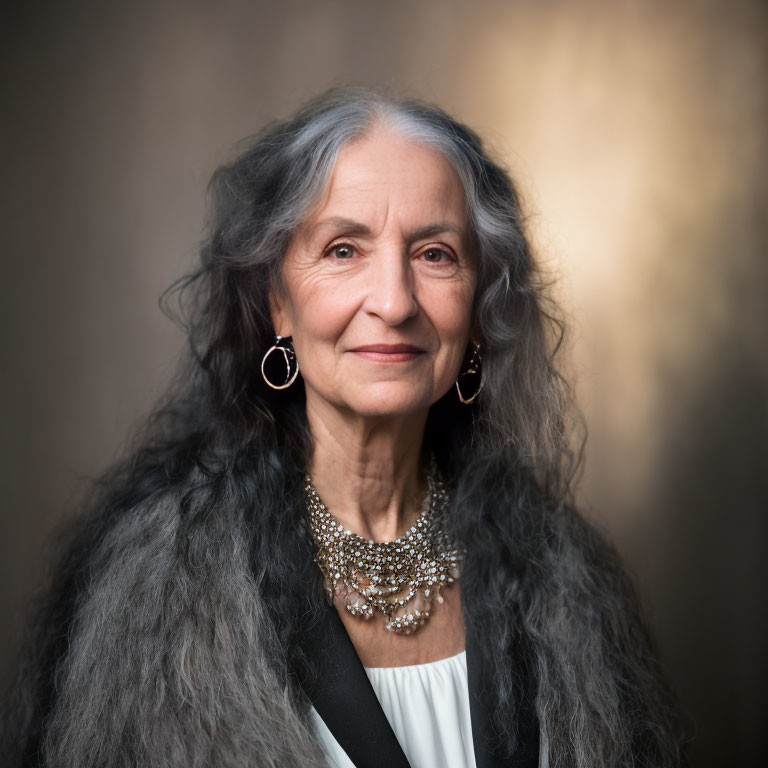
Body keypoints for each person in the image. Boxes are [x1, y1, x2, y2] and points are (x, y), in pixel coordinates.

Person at [1, 87, 689, 768]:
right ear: (279, 305)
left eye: (435, 254)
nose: (392, 302)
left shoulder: (563, 575)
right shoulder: (155, 586)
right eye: (342, 250)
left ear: (479, 308)